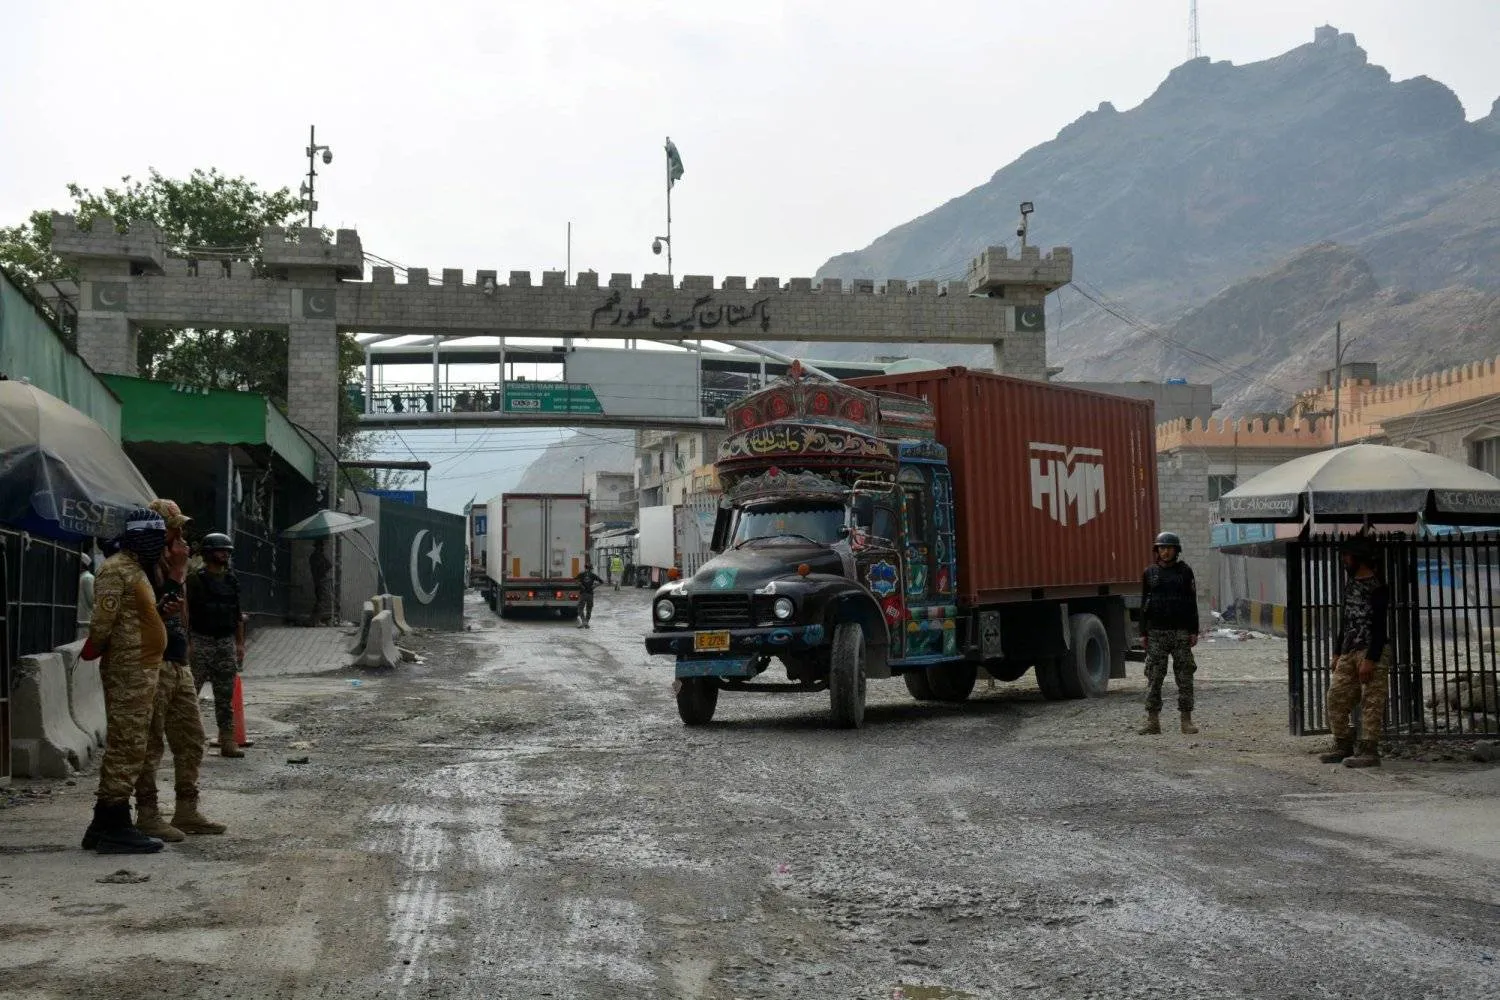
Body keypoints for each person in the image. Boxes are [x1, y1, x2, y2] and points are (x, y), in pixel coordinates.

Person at [78, 509, 171, 854]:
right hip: (128, 669)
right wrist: (94, 648)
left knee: (133, 741)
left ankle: (103, 822)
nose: (161, 545)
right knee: (128, 743)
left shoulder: (135, 570)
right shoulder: (116, 570)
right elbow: (102, 621)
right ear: (142, 538)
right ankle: (116, 821)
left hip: (141, 667)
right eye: (157, 538)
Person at [132, 500, 227, 841]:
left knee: (191, 738)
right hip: (153, 663)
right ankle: (147, 812)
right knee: (151, 741)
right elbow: (149, 614)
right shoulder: (142, 568)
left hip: (177, 661)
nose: (181, 535)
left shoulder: (175, 564)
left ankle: (187, 808)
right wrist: (175, 573)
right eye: (174, 528)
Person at [1320, 535, 1390, 768]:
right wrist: (1338, 652)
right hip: (1350, 650)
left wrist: (1371, 659)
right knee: (1335, 697)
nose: (1344, 561)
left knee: (1371, 701)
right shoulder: (1350, 585)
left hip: (1371, 650)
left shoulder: (1378, 587)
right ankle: (1343, 744)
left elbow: (1380, 627)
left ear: (1358, 558)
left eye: (1347, 557)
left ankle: (1370, 751)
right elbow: (1346, 620)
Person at [188, 532, 247, 758]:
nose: (225, 554)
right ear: (209, 553)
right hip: (201, 640)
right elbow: (187, 613)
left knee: (225, 695)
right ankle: (190, 739)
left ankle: (228, 739)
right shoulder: (195, 579)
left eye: (227, 551)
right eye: (220, 550)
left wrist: (239, 644)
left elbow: (236, 614)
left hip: (224, 642)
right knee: (190, 694)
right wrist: (189, 641)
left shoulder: (232, 580)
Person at [1139, 530, 1201, 736]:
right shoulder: (1150, 573)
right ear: (1157, 550)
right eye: (1161, 548)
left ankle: (1186, 720)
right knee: (1154, 677)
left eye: (1169, 548)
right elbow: (1143, 604)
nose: (1165, 552)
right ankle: (1153, 721)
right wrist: (1143, 632)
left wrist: (1193, 630)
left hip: (1180, 632)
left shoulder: (1185, 572)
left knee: (1184, 677)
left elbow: (1192, 603)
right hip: (1156, 632)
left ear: (1176, 550)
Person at [309, 537, 332, 626]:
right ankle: (316, 620)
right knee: (322, 601)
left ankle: (313, 619)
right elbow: (328, 566)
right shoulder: (317, 557)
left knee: (319, 600)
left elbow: (329, 565)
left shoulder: (315, 556)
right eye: (320, 547)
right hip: (321, 581)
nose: (321, 548)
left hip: (318, 581)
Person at [575, 560, 605, 628]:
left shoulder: (581, 574)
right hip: (590, 594)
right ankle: (586, 622)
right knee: (589, 609)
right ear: (590, 569)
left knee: (580, 608)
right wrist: (595, 586)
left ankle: (583, 622)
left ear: (585, 568)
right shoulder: (593, 575)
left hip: (583, 594)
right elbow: (602, 581)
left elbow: (575, 580)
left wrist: (580, 584)